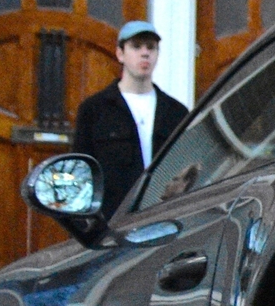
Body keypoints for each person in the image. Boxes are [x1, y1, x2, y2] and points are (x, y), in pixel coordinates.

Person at [72, 20, 189, 219]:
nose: (145, 53)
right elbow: (80, 173)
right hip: (112, 223)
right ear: (120, 54)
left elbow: (188, 169)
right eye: (136, 47)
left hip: (163, 220)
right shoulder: (95, 110)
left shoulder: (176, 112)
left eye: (151, 47)